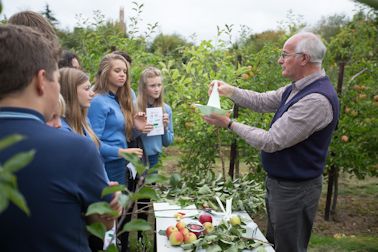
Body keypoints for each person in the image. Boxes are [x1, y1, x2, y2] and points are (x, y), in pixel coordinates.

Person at [203, 32, 340, 252]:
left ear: (303, 58)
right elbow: (262, 100)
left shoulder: (316, 100)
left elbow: (271, 140)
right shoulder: (297, 88)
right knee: (275, 244)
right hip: (282, 184)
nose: (280, 60)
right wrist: (229, 91)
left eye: (284, 55)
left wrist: (229, 123)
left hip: (295, 191)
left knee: (288, 247)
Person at [0, 24, 121, 252]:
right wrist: (109, 212)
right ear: (41, 81)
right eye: (57, 79)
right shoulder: (75, 149)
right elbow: (100, 226)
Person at [136, 67, 174, 168]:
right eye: (152, 86)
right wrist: (139, 129)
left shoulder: (166, 109)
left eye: (159, 85)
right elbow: (126, 135)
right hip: (135, 156)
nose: (157, 89)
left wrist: (165, 128)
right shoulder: (134, 108)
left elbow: (167, 142)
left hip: (154, 157)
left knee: (151, 183)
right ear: (144, 88)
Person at [58, 67, 99, 147]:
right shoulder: (62, 129)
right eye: (87, 89)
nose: (92, 93)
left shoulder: (84, 120)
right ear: (71, 92)